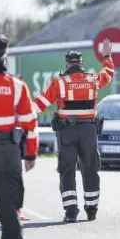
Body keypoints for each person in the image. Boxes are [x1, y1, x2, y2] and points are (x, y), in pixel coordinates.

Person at [33, 38, 114, 222]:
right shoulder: (93, 80)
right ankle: (91, 210)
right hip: (89, 131)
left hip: (67, 132)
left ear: (67, 64)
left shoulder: (59, 83)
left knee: (67, 170)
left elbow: (40, 104)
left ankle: (71, 212)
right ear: (81, 63)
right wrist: (107, 55)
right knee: (90, 169)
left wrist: (19, 116)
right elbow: (108, 73)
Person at [0, 34, 39, 239]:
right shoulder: (16, 85)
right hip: (7, 155)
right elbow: (30, 125)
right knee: (9, 211)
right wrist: (30, 155)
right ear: (5, 57)